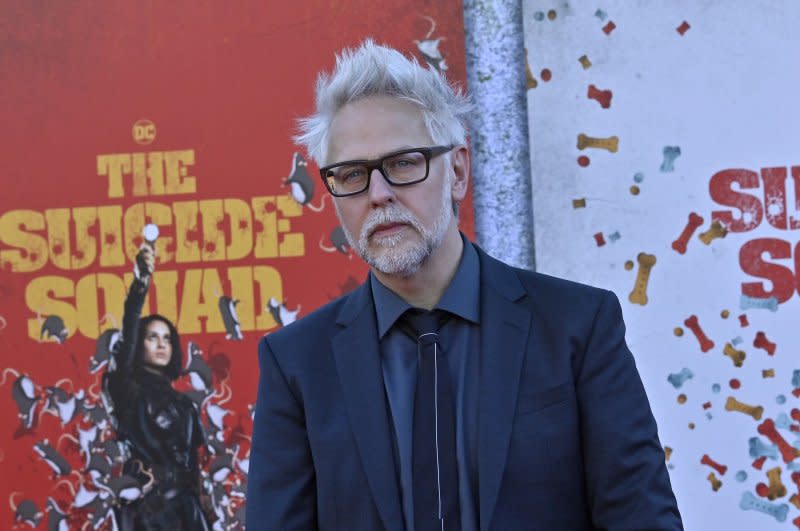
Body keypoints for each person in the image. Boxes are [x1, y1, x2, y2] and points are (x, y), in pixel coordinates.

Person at [247, 40, 683, 530]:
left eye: (404, 162)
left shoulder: (578, 327)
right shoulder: (297, 364)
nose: (378, 194)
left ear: (457, 170)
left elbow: (641, 517)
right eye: (351, 174)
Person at [104, 241, 211, 530]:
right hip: (149, 510)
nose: (161, 343)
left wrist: (205, 509)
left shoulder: (184, 405)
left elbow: (195, 467)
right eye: (152, 337)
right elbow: (126, 338)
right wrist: (139, 287)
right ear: (139, 344)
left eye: (166, 338)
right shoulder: (127, 391)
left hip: (187, 509)